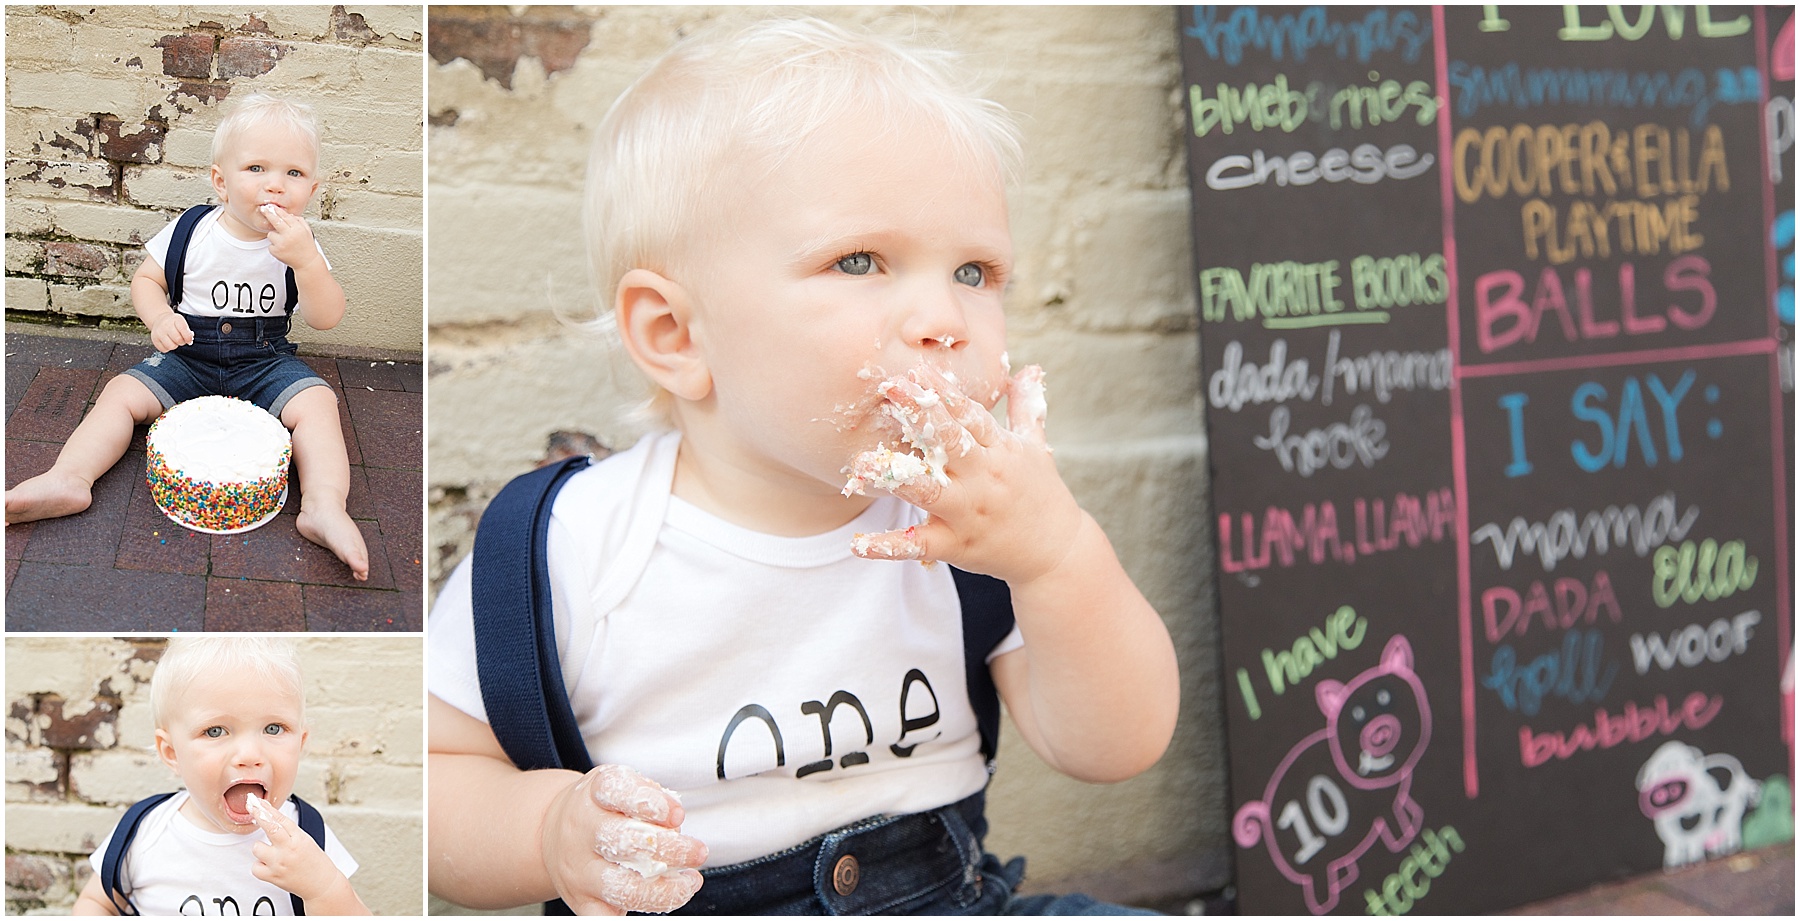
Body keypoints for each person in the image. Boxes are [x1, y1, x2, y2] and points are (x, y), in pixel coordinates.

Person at [427, 17, 1180, 915]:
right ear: (675, 334)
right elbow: (440, 781)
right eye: (860, 260)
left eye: (976, 271)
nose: (945, 318)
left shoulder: (970, 526)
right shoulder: (573, 549)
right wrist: (547, 831)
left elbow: (1111, 745)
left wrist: (1059, 557)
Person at [5, 94, 369, 581]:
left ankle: (324, 507)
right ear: (221, 180)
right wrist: (158, 319)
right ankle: (69, 478)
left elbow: (327, 317)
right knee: (121, 393)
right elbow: (145, 281)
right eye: (256, 167)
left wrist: (305, 262)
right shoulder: (192, 230)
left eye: (294, 174)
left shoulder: (299, 245)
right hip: (187, 354)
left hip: (263, 360)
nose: (275, 185)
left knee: (319, 403)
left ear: (313, 188)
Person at [73, 636, 367, 915]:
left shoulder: (307, 837)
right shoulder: (146, 831)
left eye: (274, 728)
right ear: (172, 753)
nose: (250, 755)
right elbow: (96, 903)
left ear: (300, 744)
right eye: (215, 731)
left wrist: (324, 889)